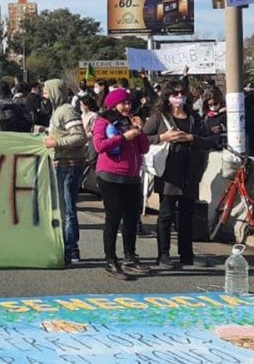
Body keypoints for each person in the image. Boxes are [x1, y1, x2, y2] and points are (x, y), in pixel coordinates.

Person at [143, 81, 217, 270]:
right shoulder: (159, 118)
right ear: (167, 97)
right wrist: (163, 137)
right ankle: (163, 254)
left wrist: (192, 138)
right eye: (175, 95)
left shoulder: (195, 118)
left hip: (190, 173)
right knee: (165, 214)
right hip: (168, 173)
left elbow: (210, 140)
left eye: (182, 94)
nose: (179, 98)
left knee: (187, 216)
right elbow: (142, 138)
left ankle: (187, 255)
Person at [93, 88, 151, 280]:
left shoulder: (131, 121)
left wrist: (139, 131)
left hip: (132, 176)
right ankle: (110, 260)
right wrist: (124, 137)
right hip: (110, 175)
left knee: (131, 218)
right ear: (113, 104)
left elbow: (144, 148)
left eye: (129, 103)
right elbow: (99, 145)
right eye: (123, 103)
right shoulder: (103, 121)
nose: (127, 107)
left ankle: (130, 256)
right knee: (113, 217)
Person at [42, 79, 88, 265]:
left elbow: (79, 136)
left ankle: (71, 250)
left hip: (68, 165)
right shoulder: (57, 111)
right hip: (61, 163)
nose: (44, 93)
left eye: (47, 90)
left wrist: (56, 143)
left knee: (67, 209)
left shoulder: (66, 110)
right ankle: (67, 248)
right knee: (63, 208)